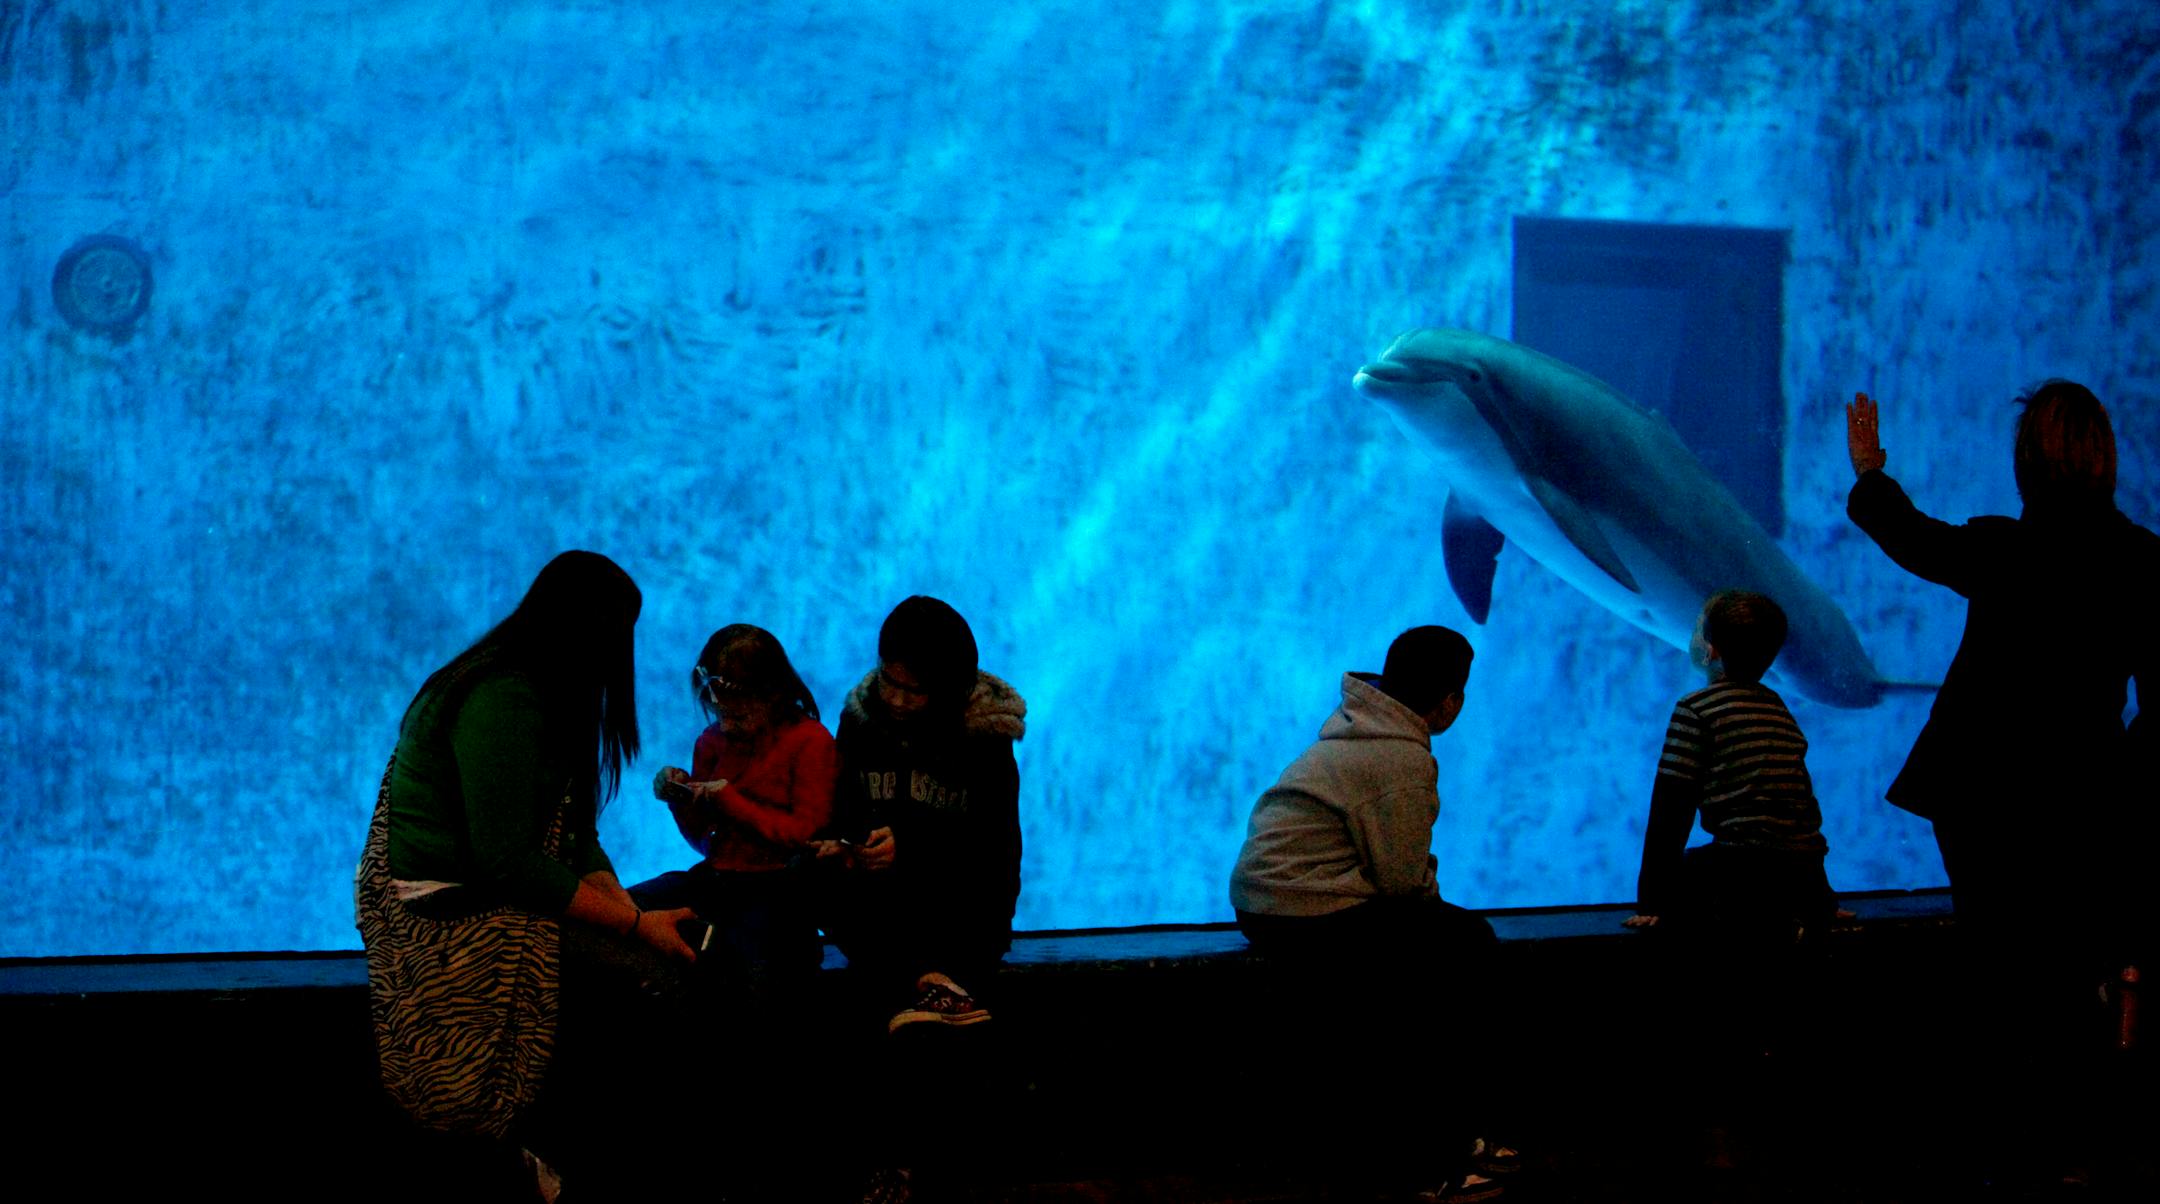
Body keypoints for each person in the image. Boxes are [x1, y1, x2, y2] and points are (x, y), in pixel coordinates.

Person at [1846, 385, 2157, 1183]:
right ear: (2104, 458)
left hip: (1980, 792)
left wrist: (1872, 471)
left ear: (2026, 463)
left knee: (1997, 958)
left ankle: (2001, 1143)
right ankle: (2076, 1144)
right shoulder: (2143, 562)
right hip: (2085, 795)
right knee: (2068, 966)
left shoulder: (2001, 548)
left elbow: (1908, 536)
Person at [355, 550, 697, 1194]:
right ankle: (562, 1159)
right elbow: (506, 863)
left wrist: (626, 911)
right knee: (648, 987)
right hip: (453, 907)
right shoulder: (503, 698)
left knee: (658, 966)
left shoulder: (544, 690)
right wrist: (632, 924)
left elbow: (575, 836)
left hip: (494, 885)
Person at [1228, 626, 1513, 1200]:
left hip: (1267, 901)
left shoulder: (1357, 731)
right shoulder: (1401, 758)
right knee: (1463, 954)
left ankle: (1459, 1136)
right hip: (1305, 910)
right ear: (1450, 700)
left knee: (1453, 941)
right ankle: (1437, 1159)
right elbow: (1403, 882)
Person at [817, 596, 1027, 1033]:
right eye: (887, 680)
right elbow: (843, 809)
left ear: (947, 686)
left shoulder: (985, 738)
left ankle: (941, 982)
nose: (894, 699)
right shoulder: (859, 723)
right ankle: (936, 989)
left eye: (913, 690)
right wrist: (846, 843)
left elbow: (996, 852)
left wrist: (910, 847)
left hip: (958, 917)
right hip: (883, 913)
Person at [1624, 590, 1838, 940]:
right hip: (1798, 872)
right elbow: (1800, 810)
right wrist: (1820, 898)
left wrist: (1652, 903)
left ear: (1711, 651)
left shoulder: (1696, 709)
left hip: (1739, 868)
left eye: (1697, 629)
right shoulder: (1778, 708)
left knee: (1690, 872)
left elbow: (1670, 812)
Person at [634, 624, 838, 987]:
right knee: (627, 907)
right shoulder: (711, 742)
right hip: (717, 880)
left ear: (773, 696)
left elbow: (806, 834)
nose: (726, 726)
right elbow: (705, 840)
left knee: (741, 966)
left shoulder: (811, 742)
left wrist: (728, 800)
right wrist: (679, 799)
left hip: (779, 890)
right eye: (719, 714)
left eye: (739, 717)